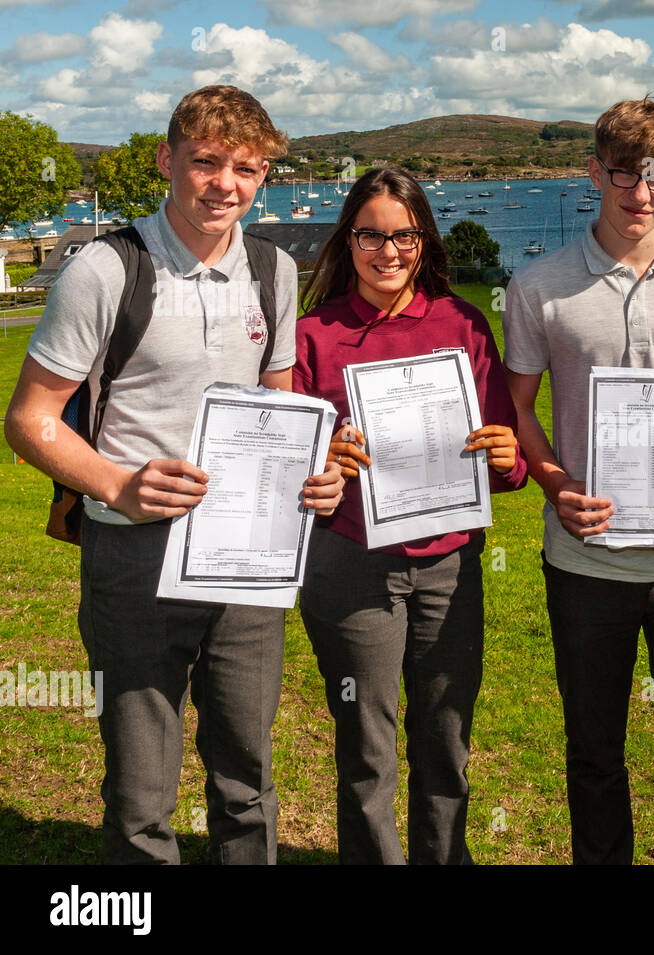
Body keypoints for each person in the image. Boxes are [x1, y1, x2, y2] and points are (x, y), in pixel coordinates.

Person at [4, 85, 344, 864]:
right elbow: (29, 419)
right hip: (136, 557)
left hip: (245, 561)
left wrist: (310, 475)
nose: (226, 183)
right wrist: (118, 485)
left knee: (247, 780)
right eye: (207, 162)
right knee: (141, 793)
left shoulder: (273, 270)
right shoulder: (104, 269)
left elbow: (280, 406)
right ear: (167, 159)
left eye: (248, 169)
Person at [503, 98, 654, 865]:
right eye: (623, 176)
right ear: (593, 173)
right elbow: (516, 410)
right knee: (594, 757)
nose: (640, 196)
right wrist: (552, 485)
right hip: (585, 565)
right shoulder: (538, 284)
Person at [294, 166, 526, 864]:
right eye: (371, 235)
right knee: (368, 745)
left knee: (446, 739)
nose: (387, 251)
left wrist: (505, 452)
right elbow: (291, 473)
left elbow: (505, 461)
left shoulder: (462, 322)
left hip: (449, 564)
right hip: (350, 563)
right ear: (350, 239)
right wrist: (323, 459)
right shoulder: (313, 335)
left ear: (423, 239)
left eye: (403, 235)